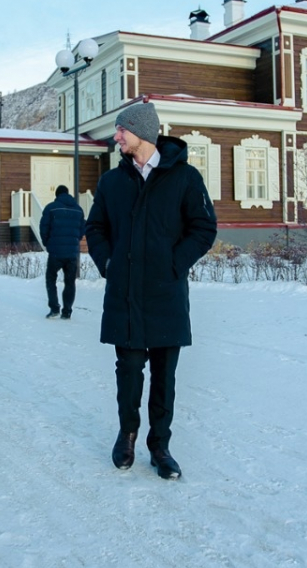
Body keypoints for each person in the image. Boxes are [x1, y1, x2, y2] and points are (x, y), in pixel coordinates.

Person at [85, 101, 217, 480]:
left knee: (164, 375)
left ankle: (160, 445)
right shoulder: (113, 181)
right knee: (127, 371)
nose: (116, 137)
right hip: (125, 294)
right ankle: (127, 435)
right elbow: (96, 229)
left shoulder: (185, 177)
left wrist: (174, 264)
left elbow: (204, 228)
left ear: (141, 131)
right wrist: (108, 263)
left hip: (165, 294)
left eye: (121, 130)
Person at [39, 184, 86, 319]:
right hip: (72, 253)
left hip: (55, 252)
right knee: (70, 282)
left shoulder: (51, 208)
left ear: (57, 195)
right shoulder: (78, 210)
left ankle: (54, 309)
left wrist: (47, 243)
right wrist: (74, 240)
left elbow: (44, 228)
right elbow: (82, 230)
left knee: (50, 279)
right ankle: (67, 311)